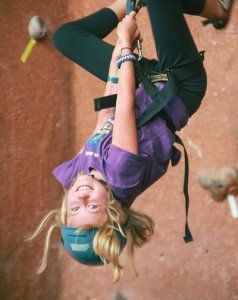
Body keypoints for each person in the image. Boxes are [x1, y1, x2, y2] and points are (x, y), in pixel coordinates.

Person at [30, 0, 234, 283]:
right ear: (114, 212)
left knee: (66, 38)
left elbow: (107, 115)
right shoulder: (122, 177)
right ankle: (218, 10)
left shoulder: (75, 177)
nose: (81, 198)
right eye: (92, 208)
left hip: (140, 86)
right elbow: (124, 108)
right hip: (179, 86)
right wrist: (124, 42)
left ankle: (143, 1)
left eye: (74, 208)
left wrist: (121, 44)